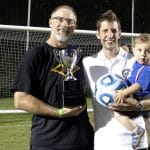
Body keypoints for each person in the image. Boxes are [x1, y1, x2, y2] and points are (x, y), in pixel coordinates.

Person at [11, 5, 94, 150]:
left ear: (74, 27)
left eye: (70, 21)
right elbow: (20, 99)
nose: (64, 25)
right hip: (48, 142)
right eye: (59, 19)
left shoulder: (79, 56)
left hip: (83, 140)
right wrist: (59, 113)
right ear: (50, 22)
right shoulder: (35, 55)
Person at [83, 10, 149, 150]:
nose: (110, 35)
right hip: (104, 142)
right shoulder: (87, 63)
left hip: (136, 144)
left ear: (120, 33)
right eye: (105, 30)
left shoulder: (135, 62)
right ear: (98, 34)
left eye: (114, 30)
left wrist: (138, 105)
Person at [114, 33, 150, 149]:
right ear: (134, 51)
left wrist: (124, 92)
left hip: (144, 100)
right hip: (135, 98)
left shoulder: (148, 69)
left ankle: (137, 131)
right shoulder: (136, 63)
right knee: (118, 113)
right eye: (140, 50)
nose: (143, 54)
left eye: (148, 51)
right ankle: (136, 130)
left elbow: (138, 85)